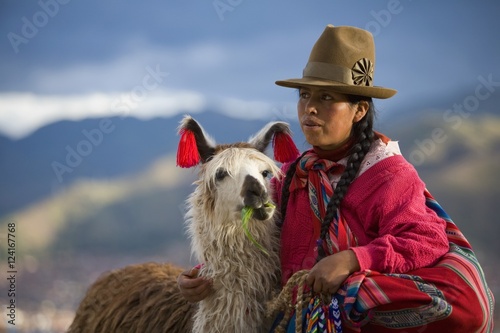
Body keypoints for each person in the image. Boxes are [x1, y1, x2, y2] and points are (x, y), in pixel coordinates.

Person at [178, 24, 494, 332]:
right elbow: (253, 236)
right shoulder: (292, 176)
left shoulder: (389, 176)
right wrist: (205, 274)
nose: (310, 109)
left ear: (359, 110)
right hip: (298, 316)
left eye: (327, 98)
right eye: (304, 95)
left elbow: (425, 239)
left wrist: (351, 260)